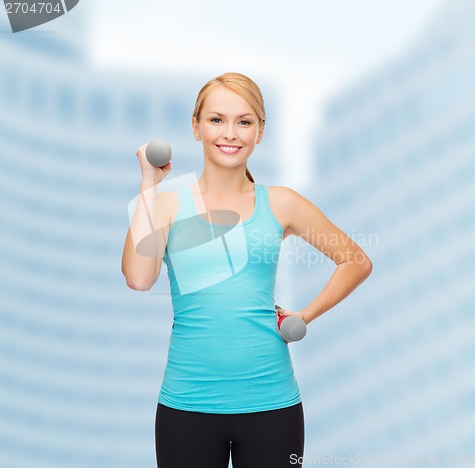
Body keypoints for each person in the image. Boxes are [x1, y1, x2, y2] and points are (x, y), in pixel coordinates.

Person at [121, 72, 373, 468]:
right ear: (196, 126)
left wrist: (305, 314)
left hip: (273, 405)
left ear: (260, 131)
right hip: (186, 405)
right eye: (217, 119)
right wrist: (149, 183)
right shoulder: (166, 205)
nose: (231, 133)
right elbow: (138, 279)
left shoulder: (281, 203)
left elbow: (356, 260)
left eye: (245, 121)